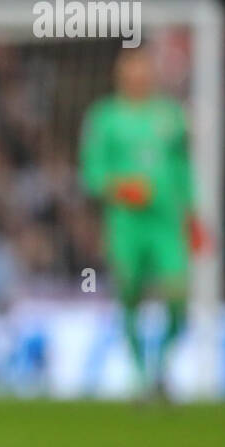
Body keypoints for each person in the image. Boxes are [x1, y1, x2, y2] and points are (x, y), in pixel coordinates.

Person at [79, 48, 203, 398]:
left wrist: (193, 214)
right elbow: (91, 173)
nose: (139, 76)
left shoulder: (170, 116)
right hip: (126, 224)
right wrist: (122, 187)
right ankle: (140, 376)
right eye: (131, 70)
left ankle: (160, 367)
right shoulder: (104, 118)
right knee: (130, 294)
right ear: (121, 75)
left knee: (178, 295)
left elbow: (182, 170)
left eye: (144, 69)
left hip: (166, 223)